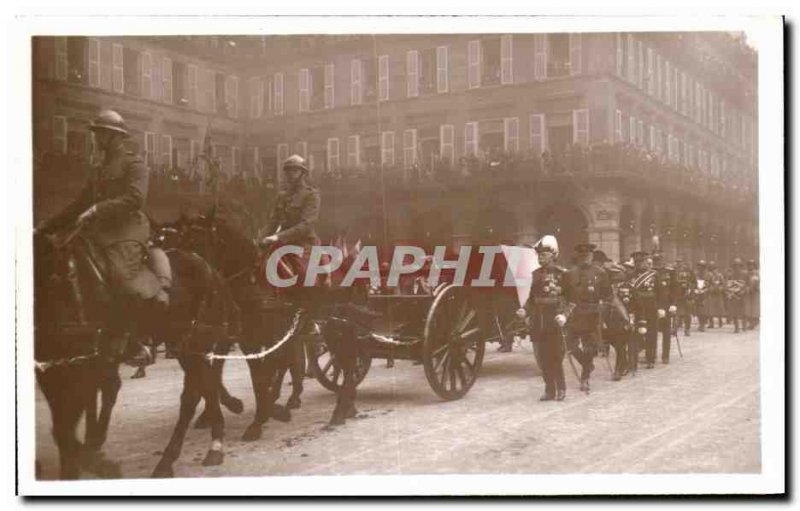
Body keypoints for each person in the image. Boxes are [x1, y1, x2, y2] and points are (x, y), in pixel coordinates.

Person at [36, 110, 170, 361]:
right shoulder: (99, 169)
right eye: (97, 134)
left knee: (121, 277)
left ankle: (135, 340)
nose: (96, 139)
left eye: (101, 134)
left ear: (116, 137)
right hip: (99, 230)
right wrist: (44, 228)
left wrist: (98, 208)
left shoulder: (135, 164)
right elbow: (79, 204)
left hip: (128, 228)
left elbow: (135, 199)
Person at [259, 154, 321, 296]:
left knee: (305, 277)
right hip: (282, 243)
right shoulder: (282, 196)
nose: (291, 174)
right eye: (288, 171)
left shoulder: (311, 195)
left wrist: (277, 237)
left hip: (303, 243)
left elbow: (307, 225)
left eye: (295, 171)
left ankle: (308, 307)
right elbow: (273, 222)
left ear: (302, 174)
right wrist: (261, 238)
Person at [517, 235, 568, 401]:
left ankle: (561, 388)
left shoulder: (562, 274)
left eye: (544, 255)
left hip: (555, 320)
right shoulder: (536, 274)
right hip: (539, 321)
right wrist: (525, 310)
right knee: (544, 359)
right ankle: (549, 390)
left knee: (556, 357)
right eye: (539, 255)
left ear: (553, 255)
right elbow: (532, 298)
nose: (540, 258)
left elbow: (570, 299)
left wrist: (563, 315)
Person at [562, 243, 612, 392]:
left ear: (592, 256)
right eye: (582, 256)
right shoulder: (569, 274)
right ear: (578, 256)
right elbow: (563, 296)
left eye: (588, 256)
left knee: (589, 348)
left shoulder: (600, 273)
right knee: (570, 345)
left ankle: (585, 379)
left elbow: (608, 295)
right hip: (574, 314)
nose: (585, 259)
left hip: (592, 314)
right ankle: (587, 364)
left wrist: (603, 308)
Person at [651, 252, 678, 364]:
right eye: (656, 261)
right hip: (653, 306)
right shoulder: (650, 273)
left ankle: (665, 356)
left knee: (666, 332)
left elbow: (675, 289)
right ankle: (652, 355)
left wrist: (673, 304)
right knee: (653, 331)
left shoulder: (670, 273)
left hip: (666, 305)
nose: (659, 263)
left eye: (660, 260)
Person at [673, 256, 697, 337]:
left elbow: (694, 283)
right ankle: (674, 329)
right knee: (675, 313)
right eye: (677, 262)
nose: (679, 264)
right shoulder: (673, 271)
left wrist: (690, 287)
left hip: (687, 295)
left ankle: (687, 329)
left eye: (680, 262)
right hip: (677, 294)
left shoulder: (689, 271)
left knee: (687, 313)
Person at [726, 258, 747, 333]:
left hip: (742, 294)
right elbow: (728, 284)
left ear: (740, 266)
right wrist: (730, 293)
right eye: (735, 265)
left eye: (738, 265)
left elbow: (747, 284)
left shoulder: (745, 274)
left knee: (743, 311)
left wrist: (744, 291)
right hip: (734, 294)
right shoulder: (731, 275)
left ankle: (744, 326)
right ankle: (736, 327)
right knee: (734, 311)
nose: (736, 267)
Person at [706, 261, 727, 329]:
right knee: (710, 308)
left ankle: (720, 321)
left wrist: (720, 288)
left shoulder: (719, 275)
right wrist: (709, 288)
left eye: (713, 267)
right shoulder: (708, 275)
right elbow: (707, 283)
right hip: (711, 293)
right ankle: (711, 323)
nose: (712, 269)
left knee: (719, 307)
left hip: (718, 293)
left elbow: (723, 283)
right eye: (711, 267)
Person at [693, 260, 710, 332]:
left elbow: (711, 284)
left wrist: (707, 289)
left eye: (702, 266)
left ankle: (703, 324)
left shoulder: (708, 275)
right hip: (697, 294)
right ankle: (700, 323)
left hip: (706, 295)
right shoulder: (695, 275)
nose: (700, 268)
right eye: (699, 266)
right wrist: (694, 289)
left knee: (704, 310)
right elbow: (693, 282)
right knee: (698, 310)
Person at [743, 259, 760, 330]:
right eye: (749, 265)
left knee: (754, 308)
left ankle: (754, 322)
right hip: (748, 293)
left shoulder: (756, 273)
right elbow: (744, 281)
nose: (750, 266)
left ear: (754, 265)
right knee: (749, 308)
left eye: (752, 265)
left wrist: (751, 288)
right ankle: (751, 323)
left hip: (755, 292)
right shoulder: (746, 273)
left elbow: (756, 282)